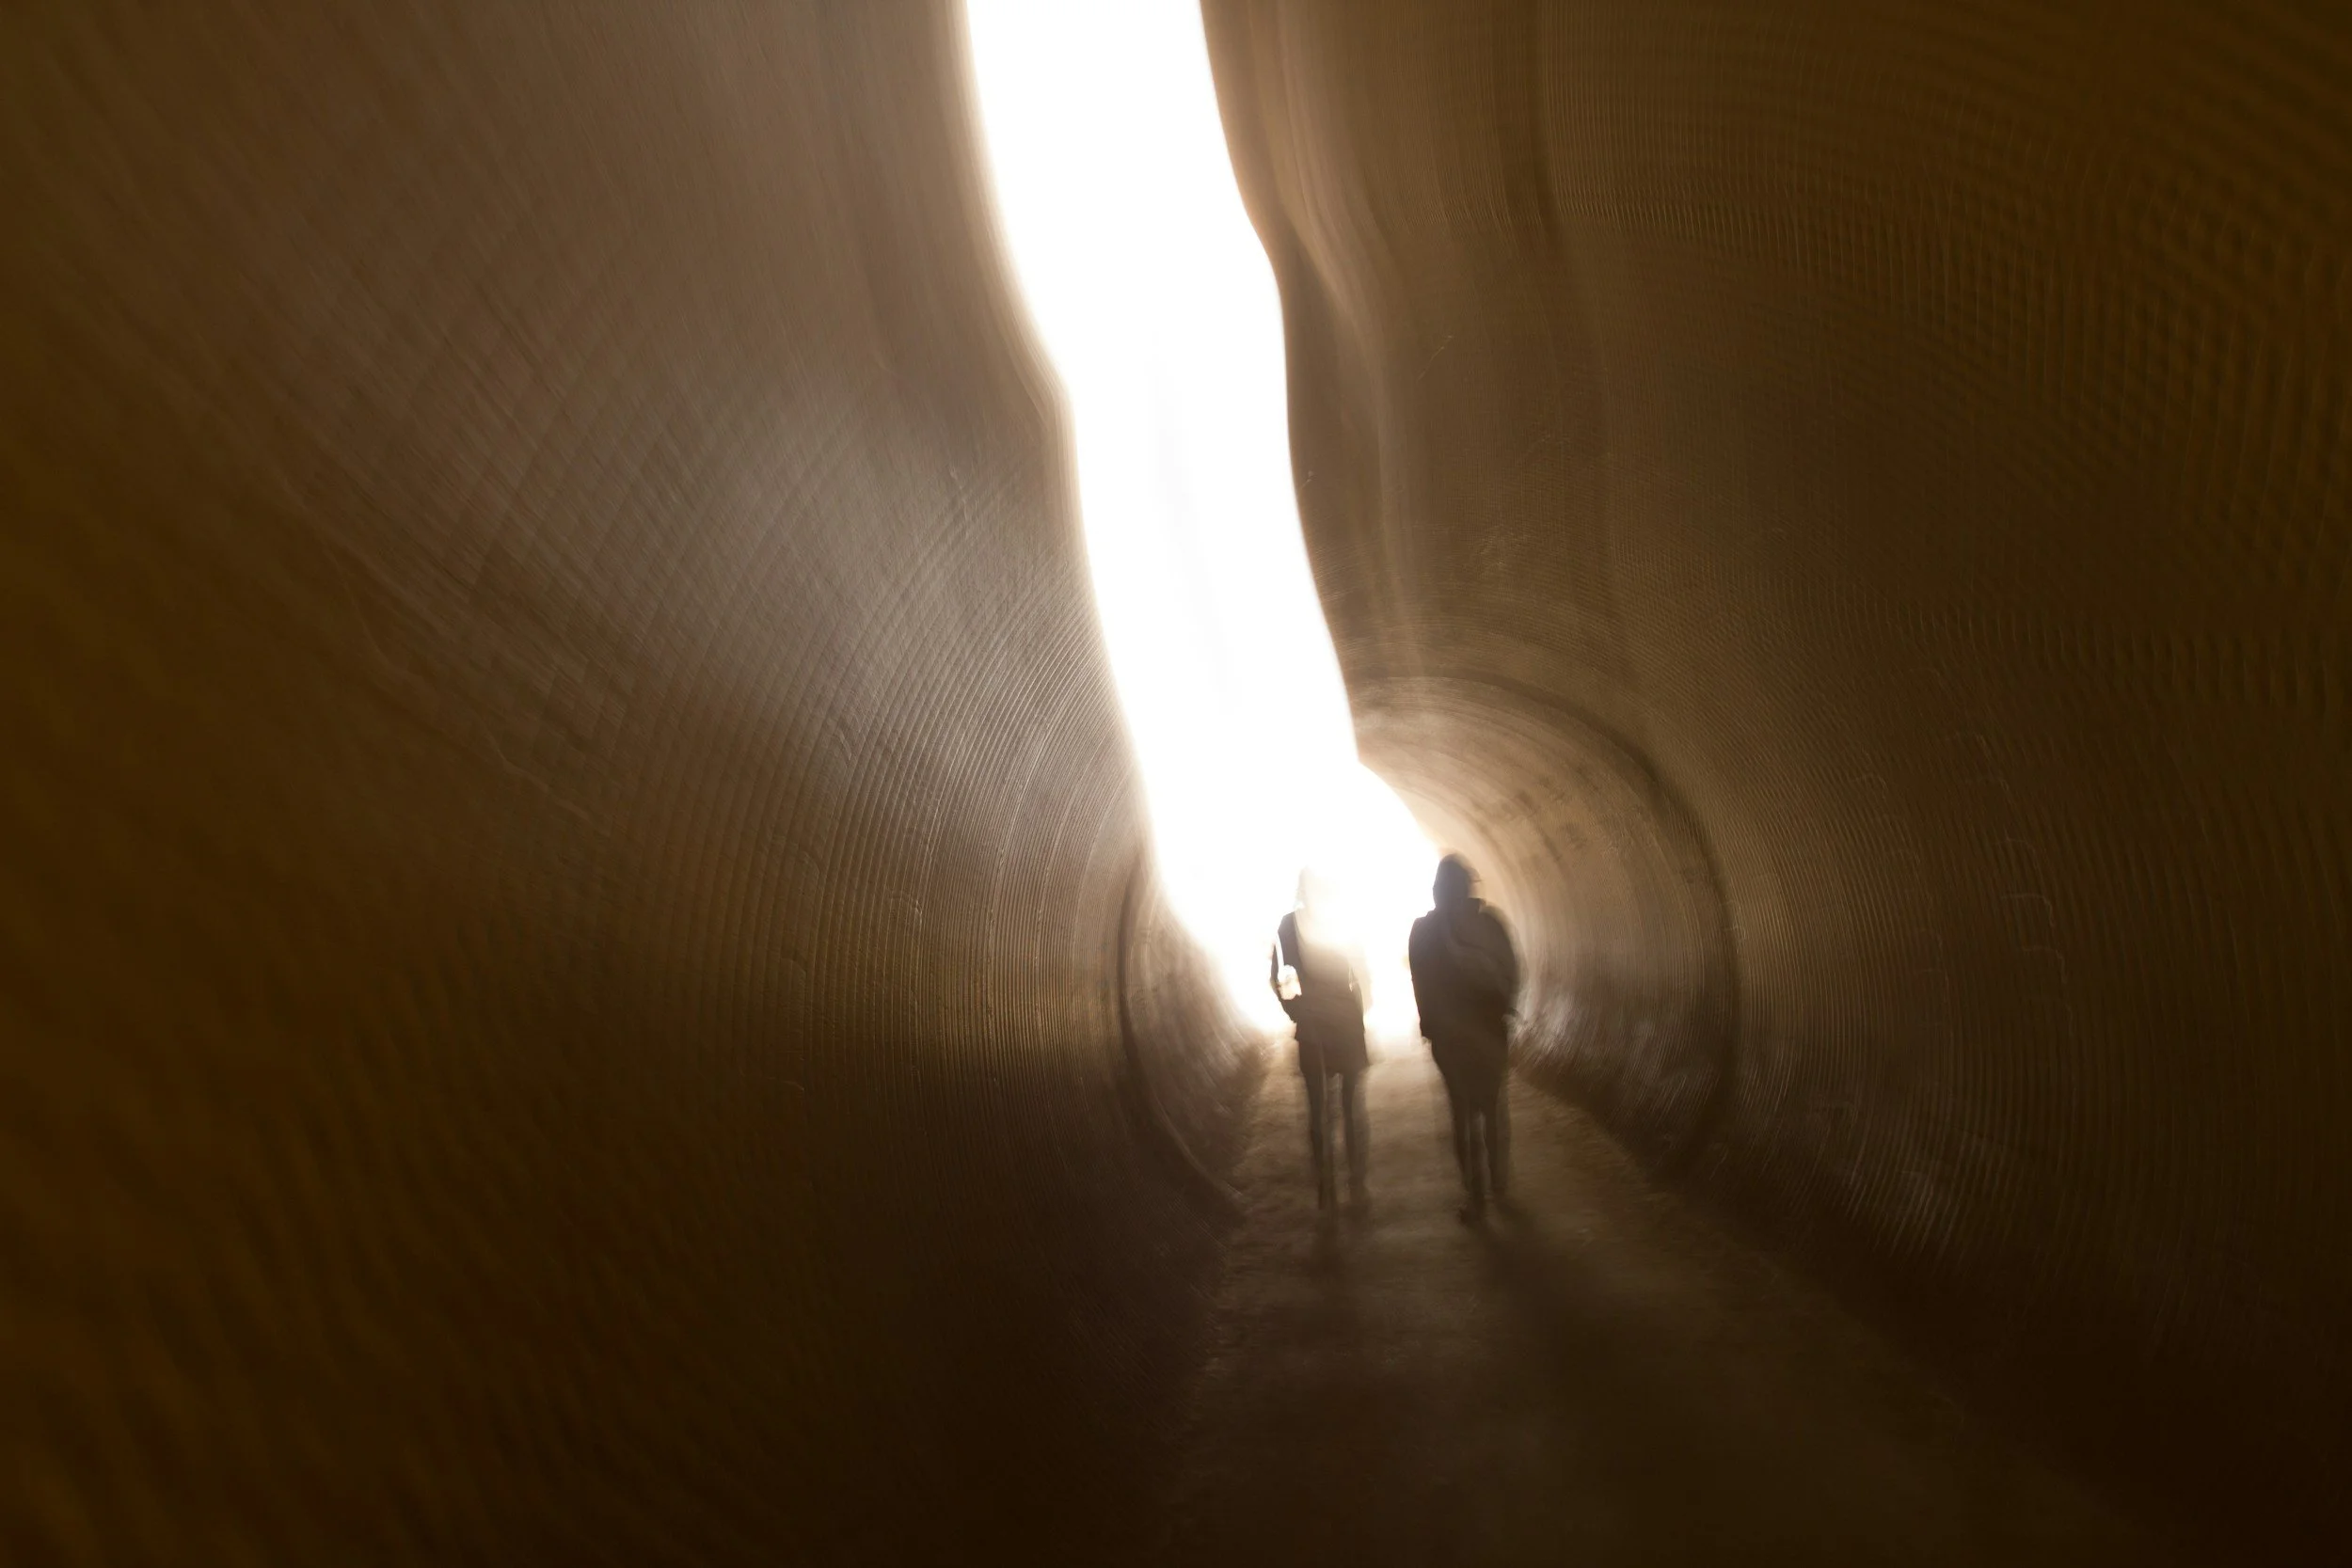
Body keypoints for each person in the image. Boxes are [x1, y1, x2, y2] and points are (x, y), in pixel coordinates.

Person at [1408, 854, 1518, 1221]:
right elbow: (1512, 972)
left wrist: (1429, 1026)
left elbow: (1421, 985)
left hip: (1450, 1040)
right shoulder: (1490, 925)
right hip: (1489, 1034)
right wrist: (1504, 1009)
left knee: (1462, 1113)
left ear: (1437, 890)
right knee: (1493, 1108)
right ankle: (1499, 1185)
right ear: (1468, 888)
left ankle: (1475, 1196)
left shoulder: (1424, 931)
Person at [1271, 869, 1371, 1209]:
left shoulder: (1289, 925)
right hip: (1342, 1024)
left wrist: (1297, 1012)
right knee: (1350, 1107)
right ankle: (1355, 1182)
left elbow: (1278, 978)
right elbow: (1360, 971)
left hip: (1314, 1028)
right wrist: (1358, 1012)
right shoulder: (1339, 918)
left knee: (1320, 1112)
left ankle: (1327, 1189)